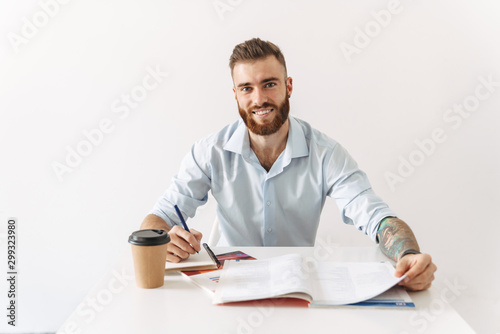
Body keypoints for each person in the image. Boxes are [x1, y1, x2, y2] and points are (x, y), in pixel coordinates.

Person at [140, 38, 437, 291]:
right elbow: (159, 217)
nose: (259, 99)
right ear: (235, 95)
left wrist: (407, 253)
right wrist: (161, 240)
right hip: (229, 285)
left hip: (298, 285)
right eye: (246, 88)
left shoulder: (325, 153)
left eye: (269, 84)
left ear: (288, 86)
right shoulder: (209, 152)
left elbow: (375, 216)